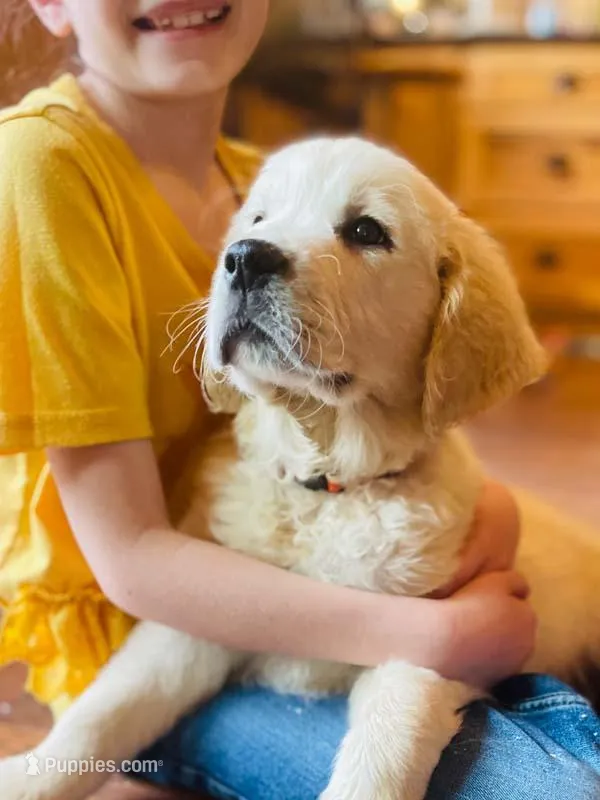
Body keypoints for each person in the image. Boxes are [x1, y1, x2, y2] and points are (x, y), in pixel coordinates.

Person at [0, 2, 597, 798]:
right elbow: (140, 567)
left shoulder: (261, 173)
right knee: (554, 784)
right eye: (253, 232)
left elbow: (426, 476)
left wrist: (492, 525)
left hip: (373, 611)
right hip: (160, 632)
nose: (259, 251)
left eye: (363, 233)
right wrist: (438, 633)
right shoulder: (40, 161)